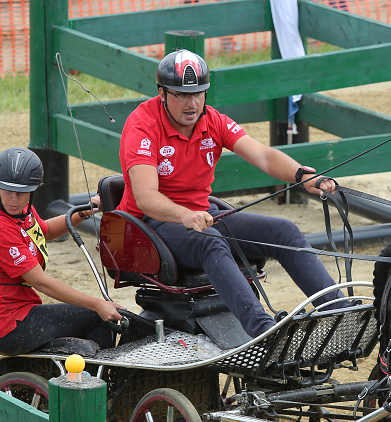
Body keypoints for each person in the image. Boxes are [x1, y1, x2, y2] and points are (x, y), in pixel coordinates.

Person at [118, 49, 346, 338]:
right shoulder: (142, 125)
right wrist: (185, 215)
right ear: (162, 93)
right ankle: (263, 331)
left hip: (203, 217)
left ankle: (338, 311)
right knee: (210, 243)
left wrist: (301, 175)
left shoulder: (212, 120)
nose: (192, 103)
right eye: (181, 95)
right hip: (151, 225)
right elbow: (146, 197)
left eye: (199, 94)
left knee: (284, 231)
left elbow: (262, 155)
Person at [0, 147, 124, 356]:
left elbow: (44, 231)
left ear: (34, 189)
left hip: (17, 313)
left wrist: (86, 209)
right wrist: (98, 305)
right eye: (8, 191)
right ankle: (93, 384)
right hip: (8, 326)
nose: (14, 199)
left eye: (22, 192)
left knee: (94, 312)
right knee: (98, 316)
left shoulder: (19, 211)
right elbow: (41, 282)